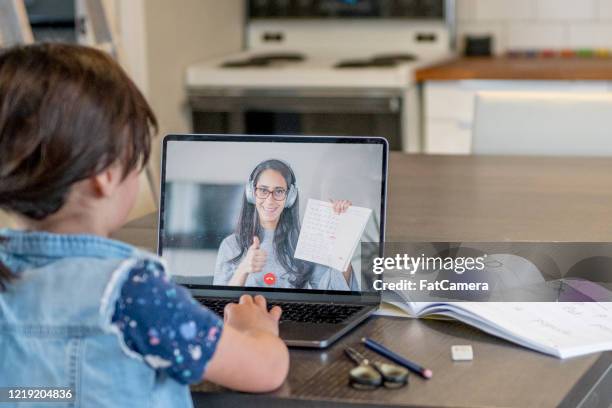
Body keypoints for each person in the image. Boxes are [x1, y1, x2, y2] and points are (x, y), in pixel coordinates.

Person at [0, 44, 288, 407]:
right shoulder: (132, 293)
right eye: (136, 159)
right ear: (105, 175)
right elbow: (265, 370)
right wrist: (256, 331)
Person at [213, 159, 359, 290]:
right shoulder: (230, 245)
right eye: (263, 190)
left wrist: (341, 240)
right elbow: (221, 306)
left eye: (279, 191)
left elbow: (334, 293)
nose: (270, 200)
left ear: (290, 197)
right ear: (252, 193)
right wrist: (243, 269)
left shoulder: (306, 244)